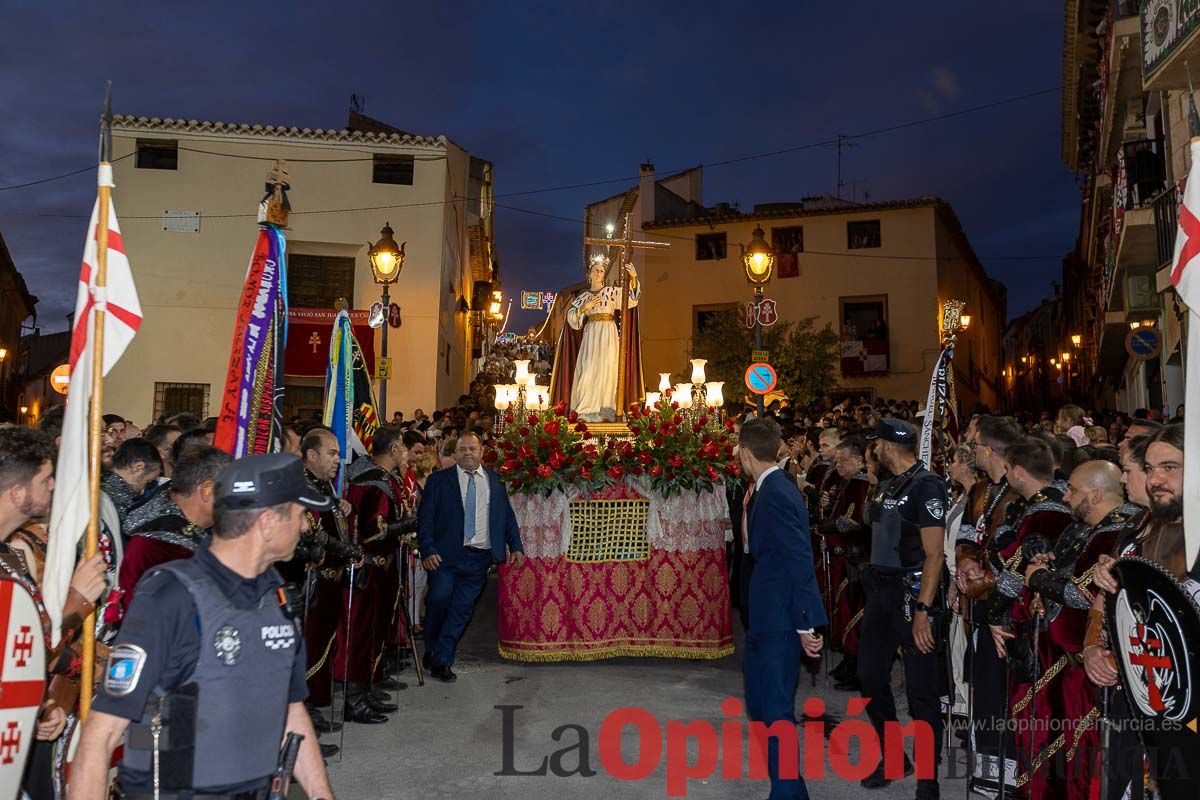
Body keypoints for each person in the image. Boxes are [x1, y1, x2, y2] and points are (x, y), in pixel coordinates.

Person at [69, 453, 337, 800]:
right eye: (301, 515)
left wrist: (321, 795)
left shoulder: (278, 597)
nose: (304, 527)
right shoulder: (172, 595)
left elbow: (290, 709)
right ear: (268, 521)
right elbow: (102, 732)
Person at [0, 427, 107, 800]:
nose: (54, 486)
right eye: (46, 479)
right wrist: (77, 600)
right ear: (18, 493)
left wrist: (39, 709)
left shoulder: (10, 557)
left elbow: (22, 655)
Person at [857, 418, 947, 799]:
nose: (872, 450)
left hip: (913, 596)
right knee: (869, 677)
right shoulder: (886, 484)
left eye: (876, 444)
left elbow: (934, 555)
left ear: (890, 446)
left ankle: (928, 782)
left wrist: (924, 609)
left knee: (921, 693)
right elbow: (872, 526)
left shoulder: (926, 485)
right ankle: (894, 756)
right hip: (879, 594)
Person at [737, 417, 825, 800]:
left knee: (774, 711)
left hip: (781, 621)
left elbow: (799, 559)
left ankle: (787, 793)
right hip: (765, 617)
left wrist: (807, 624)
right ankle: (792, 790)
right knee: (760, 704)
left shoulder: (776, 492)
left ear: (744, 452)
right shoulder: (766, 487)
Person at [418, 432, 525, 682]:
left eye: (472, 449)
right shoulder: (438, 481)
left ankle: (443, 659)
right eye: (462, 449)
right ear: (454, 453)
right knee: (439, 600)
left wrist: (516, 546)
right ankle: (432, 647)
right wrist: (428, 549)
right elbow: (425, 519)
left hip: (479, 559)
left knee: (462, 610)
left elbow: (506, 517)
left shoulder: (495, 481)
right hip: (444, 557)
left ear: (482, 451)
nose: (467, 453)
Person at [115, 446, 230, 620]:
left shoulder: (207, 527)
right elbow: (142, 618)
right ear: (207, 490)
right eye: (233, 490)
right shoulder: (155, 544)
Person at [345, 424, 414, 700]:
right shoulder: (371, 481)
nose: (406, 453)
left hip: (386, 564)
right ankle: (360, 689)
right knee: (367, 628)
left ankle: (375, 676)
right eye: (404, 447)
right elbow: (374, 529)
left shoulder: (388, 477)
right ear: (395, 448)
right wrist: (405, 525)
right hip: (371, 565)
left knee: (381, 624)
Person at [814, 434, 870, 690]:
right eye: (837, 462)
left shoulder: (860, 484)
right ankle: (849, 660)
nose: (839, 467)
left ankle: (858, 666)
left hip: (855, 558)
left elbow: (855, 522)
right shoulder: (847, 483)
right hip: (843, 557)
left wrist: (829, 533)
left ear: (858, 460)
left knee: (852, 611)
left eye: (843, 462)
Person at [563, 254, 640, 422]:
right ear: (589, 275)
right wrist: (585, 307)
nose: (599, 273)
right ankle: (586, 409)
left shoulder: (612, 292)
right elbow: (571, 318)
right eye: (595, 270)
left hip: (609, 335)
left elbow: (632, 300)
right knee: (588, 371)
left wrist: (633, 279)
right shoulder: (583, 296)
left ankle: (607, 407)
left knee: (609, 370)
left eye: (602, 270)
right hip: (591, 336)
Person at [101, 438, 163, 533]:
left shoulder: (100, 486)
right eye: (148, 482)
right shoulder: (117, 501)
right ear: (138, 468)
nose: (143, 491)